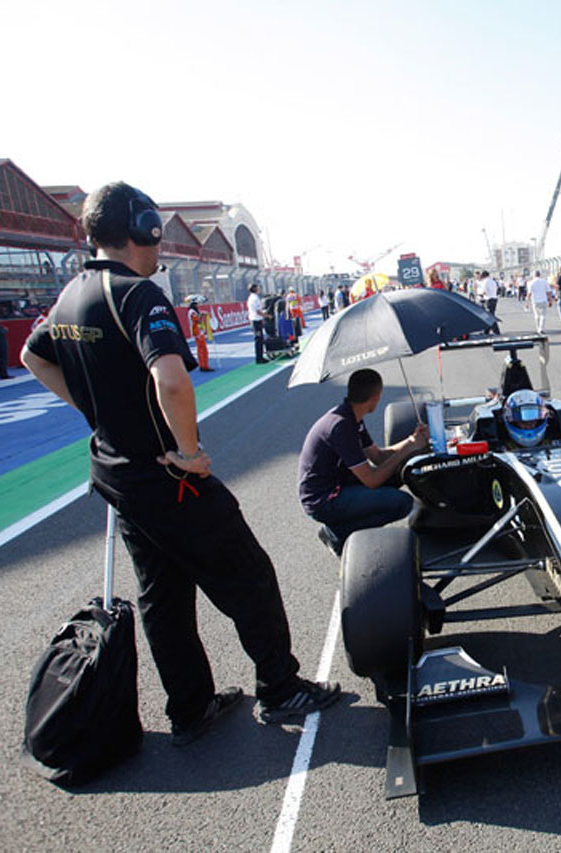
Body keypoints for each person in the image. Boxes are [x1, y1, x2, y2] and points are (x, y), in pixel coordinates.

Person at [21, 181, 339, 746]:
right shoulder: (136, 294)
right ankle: (280, 686)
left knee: (162, 596)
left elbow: (32, 356)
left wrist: (93, 409)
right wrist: (189, 453)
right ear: (140, 228)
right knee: (250, 575)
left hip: (114, 474)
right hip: (166, 474)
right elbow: (170, 379)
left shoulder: (71, 294)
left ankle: (190, 709)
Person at [298, 368, 428, 555]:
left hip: (339, 484)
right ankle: (336, 533)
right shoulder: (341, 427)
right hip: (323, 500)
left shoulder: (351, 417)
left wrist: (411, 441)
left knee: (401, 469)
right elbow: (372, 480)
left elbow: (378, 457)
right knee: (402, 503)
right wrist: (408, 449)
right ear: (376, 396)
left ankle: (341, 527)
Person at [187, 297, 213, 372]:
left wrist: (203, 314)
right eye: (196, 304)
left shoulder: (195, 311)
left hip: (200, 331)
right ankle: (203, 366)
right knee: (202, 349)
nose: (197, 305)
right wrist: (202, 315)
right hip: (197, 332)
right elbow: (197, 320)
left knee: (202, 348)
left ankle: (204, 364)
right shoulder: (192, 312)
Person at [247, 283, 266, 364]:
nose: (259, 289)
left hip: (256, 320)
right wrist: (267, 316)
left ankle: (260, 357)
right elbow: (258, 311)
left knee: (260, 339)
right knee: (258, 339)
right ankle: (259, 358)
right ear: (255, 289)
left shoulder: (253, 297)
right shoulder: (254, 298)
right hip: (256, 321)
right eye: (258, 288)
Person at [527, 269, 551, 334]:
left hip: (535, 300)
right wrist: (550, 300)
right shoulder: (544, 281)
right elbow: (548, 292)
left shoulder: (531, 282)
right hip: (543, 300)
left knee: (536, 315)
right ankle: (541, 328)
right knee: (543, 315)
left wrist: (527, 302)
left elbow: (529, 293)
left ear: (533, 275)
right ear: (540, 275)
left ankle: (538, 328)